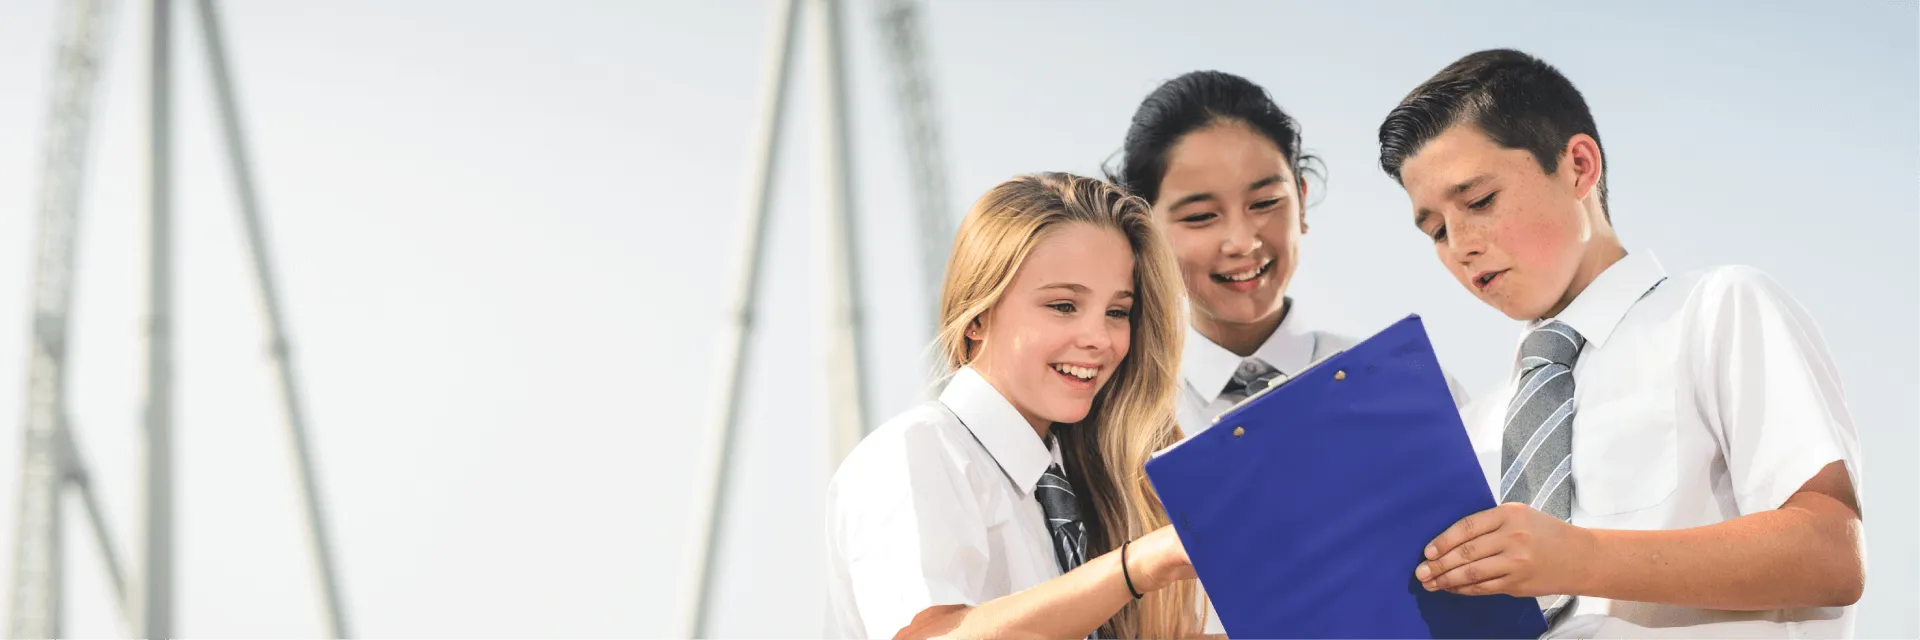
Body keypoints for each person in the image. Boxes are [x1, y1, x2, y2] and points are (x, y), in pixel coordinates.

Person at [1378, 49, 1865, 638]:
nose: (1460, 244)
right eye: (1435, 231)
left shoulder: (1716, 310)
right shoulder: (1476, 429)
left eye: (1479, 202)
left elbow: (1829, 552)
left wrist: (1577, 558)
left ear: (1580, 166)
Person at [825, 173, 1211, 639]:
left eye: (1116, 312)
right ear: (977, 317)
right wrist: (1135, 569)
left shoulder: (1074, 482)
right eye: (1064, 306)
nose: (1098, 339)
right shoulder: (916, 452)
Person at [1113, 70, 1467, 438]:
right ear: (1145, 229)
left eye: (1264, 203)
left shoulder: (1407, 388)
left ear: (1300, 201)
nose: (1243, 242)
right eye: (1201, 216)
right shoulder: (1121, 422)